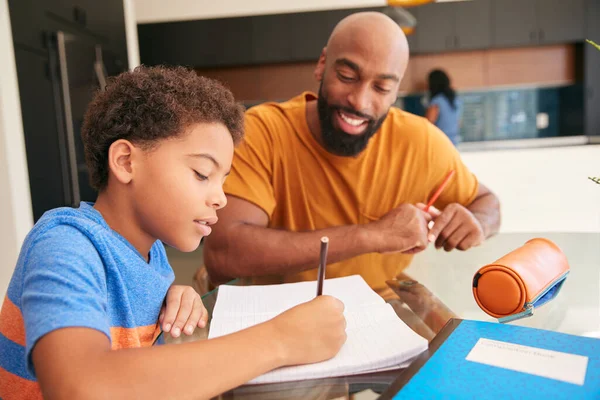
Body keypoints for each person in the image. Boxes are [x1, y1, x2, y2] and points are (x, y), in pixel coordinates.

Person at [0, 66, 346, 400]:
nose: (220, 198)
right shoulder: (65, 243)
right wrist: (280, 341)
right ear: (125, 162)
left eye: (223, 179)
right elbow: (79, 386)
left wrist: (172, 293)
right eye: (201, 173)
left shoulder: (154, 258)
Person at [203, 12, 501, 298]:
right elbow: (224, 254)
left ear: (396, 91)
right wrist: (372, 236)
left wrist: (477, 223)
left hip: (384, 309)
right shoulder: (263, 131)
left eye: (382, 87)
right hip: (275, 315)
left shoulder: (422, 142)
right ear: (322, 65)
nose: (359, 101)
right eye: (347, 76)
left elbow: (487, 202)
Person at [425, 69, 462, 145]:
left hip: (441, 142)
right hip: (454, 141)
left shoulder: (437, 101)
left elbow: (428, 124)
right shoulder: (456, 100)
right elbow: (459, 122)